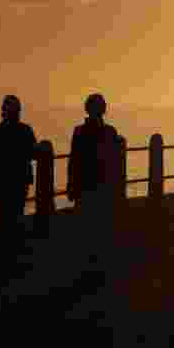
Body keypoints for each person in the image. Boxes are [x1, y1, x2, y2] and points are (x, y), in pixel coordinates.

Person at [0, 95, 37, 244]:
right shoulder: (25, 130)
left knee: (1, 219)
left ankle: (4, 249)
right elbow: (33, 153)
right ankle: (12, 249)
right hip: (14, 183)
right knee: (14, 217)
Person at [67, 93, 121, 241]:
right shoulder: (110, 132)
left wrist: (71, 186)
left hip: (85, 186)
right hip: (103, 187)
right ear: (104, 109)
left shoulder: (79, 131)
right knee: (101, 230)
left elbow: (74, 161)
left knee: (85, 230)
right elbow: (115, 163)